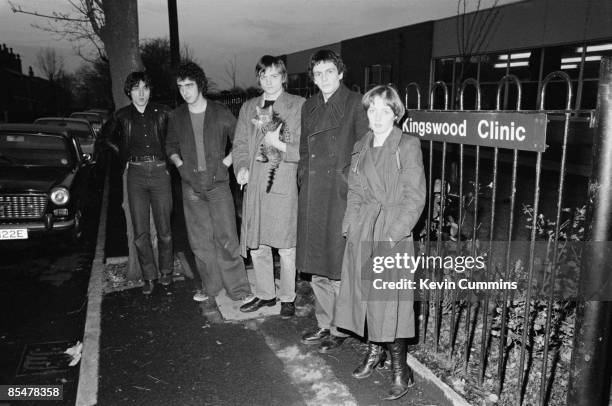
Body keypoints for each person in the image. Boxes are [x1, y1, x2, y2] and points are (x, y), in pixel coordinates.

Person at [335, 85, 426, 400]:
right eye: (371, 109)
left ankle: (402, 370)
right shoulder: (361, 145)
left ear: (395, 113)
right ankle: (375, 352)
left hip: (391, 231)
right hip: (364, 228)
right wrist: (349, 225)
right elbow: (356, 191)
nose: (376, 116)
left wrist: (394, 233)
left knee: (391, 303)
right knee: (366, 295)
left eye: (383, 110)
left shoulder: (407, 145)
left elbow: (415, 198)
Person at [297, 50, 369, 352]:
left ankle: (341, 327)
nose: (323, 78)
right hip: (313, 191)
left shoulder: (355, 103)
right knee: (316, 266)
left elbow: (365, 150)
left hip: (339, 195)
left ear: (341, 73)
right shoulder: (309, 106)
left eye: (329, 72)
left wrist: (347, 182)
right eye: (317, 73)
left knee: (338, 265)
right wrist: (303, 175)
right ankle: (324, 323)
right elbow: (303, 148)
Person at [165, 62, 253, 303]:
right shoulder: (176, 116)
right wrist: (179, 164)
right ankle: (210, 287)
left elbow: (241, 141)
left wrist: (225, 163)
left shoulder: (220, 112)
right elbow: (170, 146)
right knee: (200, 241)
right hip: (190, 184)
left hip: (218, 184)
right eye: (181, 86)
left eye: (189, 85)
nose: (185, 91)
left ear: (200, 85)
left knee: (227, 238)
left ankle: (239, 290)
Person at [232, 56, 305, 317]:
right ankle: (265, 294)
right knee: (258, 244)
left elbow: (301, 146)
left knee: (286, 246)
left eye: (274, 75)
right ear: (259, 78)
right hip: (255, 185)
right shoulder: (248, 107)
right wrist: (241, 167)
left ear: (284, 77)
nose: (269, 81)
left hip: (283, 180)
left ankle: (287, 297)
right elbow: (240, 144)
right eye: (264, 76)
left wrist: (276, 139)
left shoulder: (298, 105)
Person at [105, 71, 173, 295]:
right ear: (129, 92)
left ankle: (166, 271)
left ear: (150, 90)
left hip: (160, 171)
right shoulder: (122, 116)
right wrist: (123, 156)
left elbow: (175, 140)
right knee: (140, 231)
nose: (141, 93)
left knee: (164, 229)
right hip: (135, 174)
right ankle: (149, 276)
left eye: (145, 87)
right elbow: (107, 138)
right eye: (136, 88)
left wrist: (171, 164)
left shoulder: (163, 112)